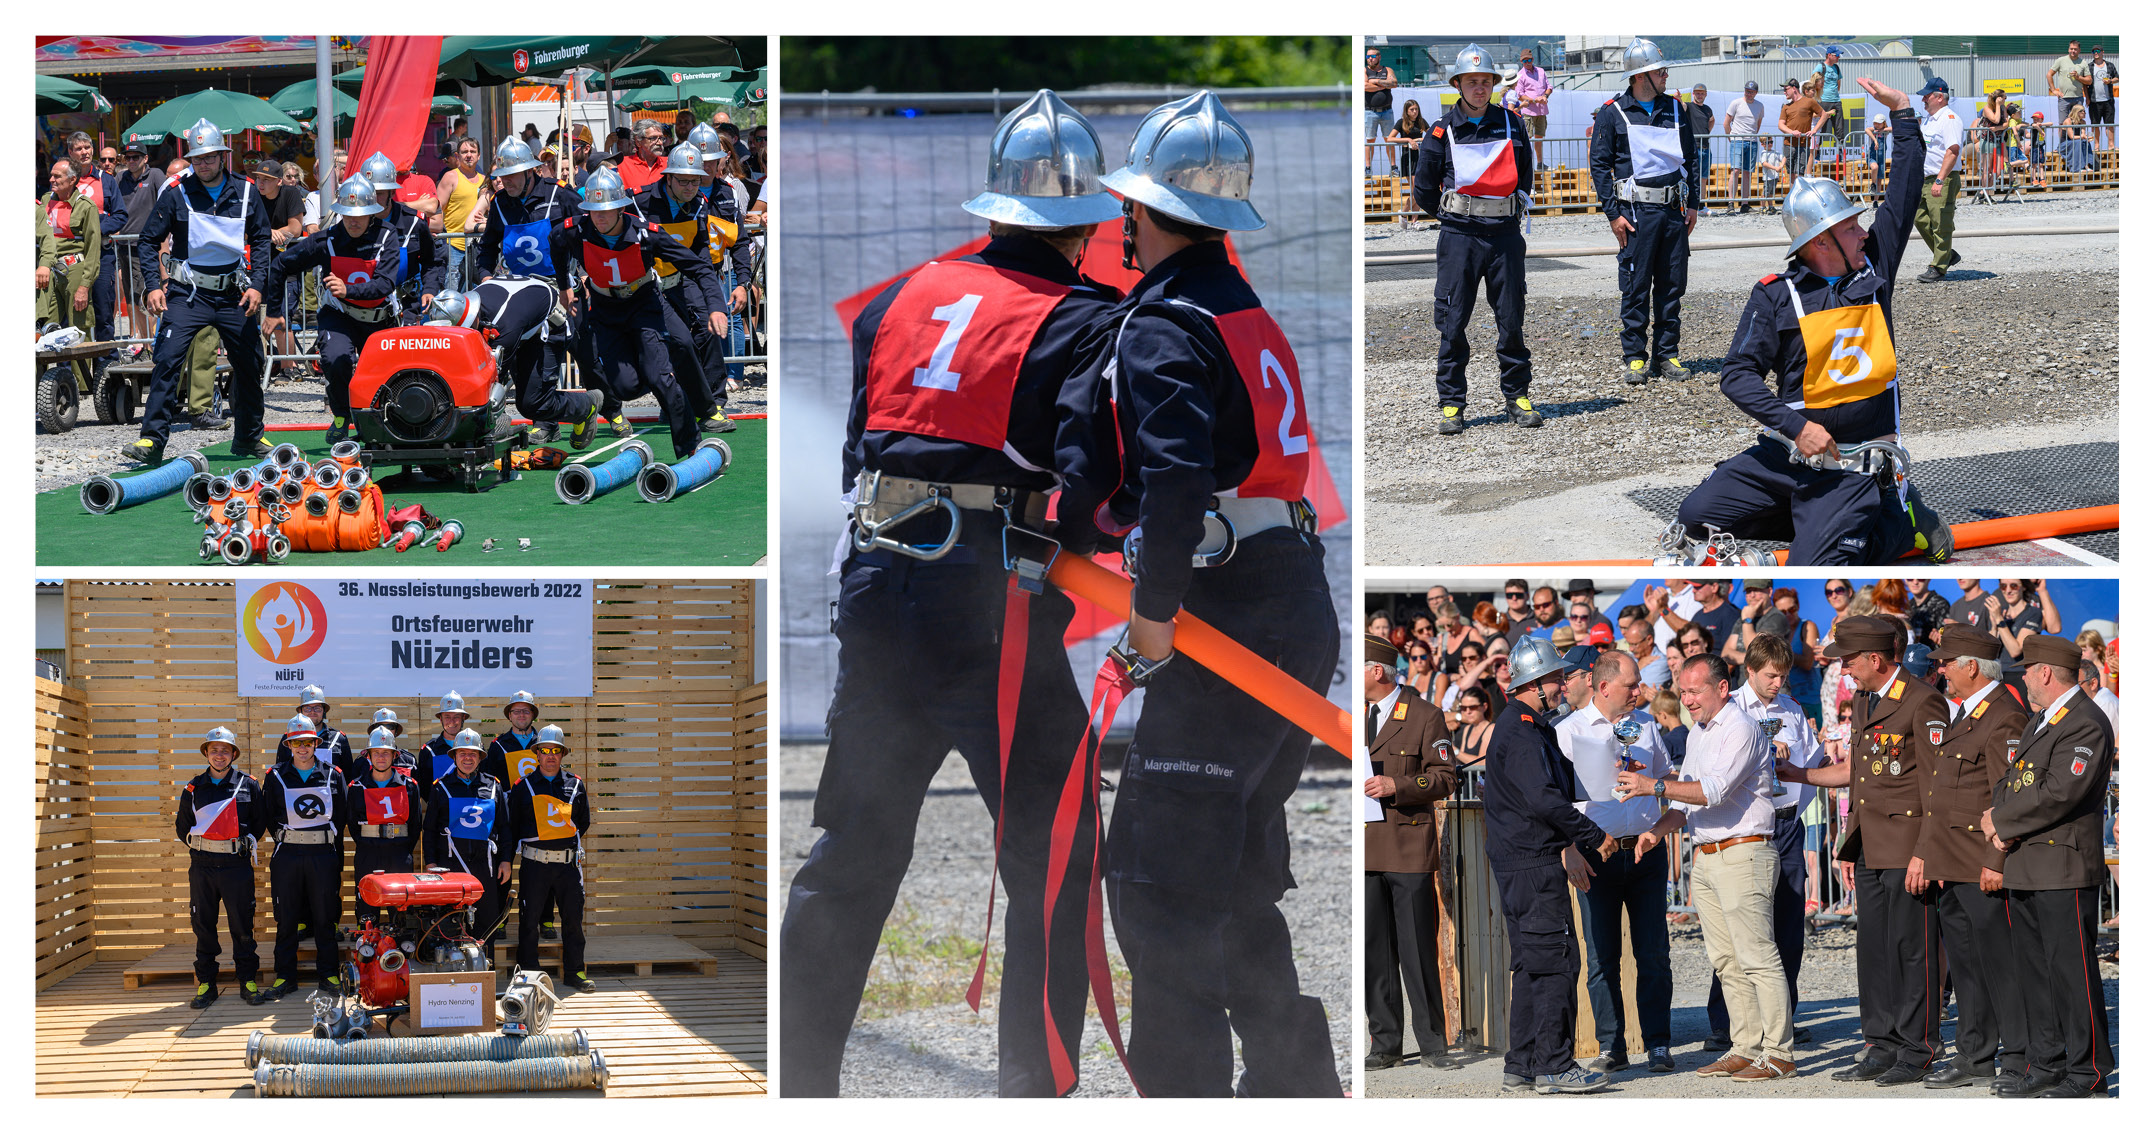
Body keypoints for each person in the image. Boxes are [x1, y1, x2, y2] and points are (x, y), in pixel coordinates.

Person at [780, 90, 1121, 1099]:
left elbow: (859, 448)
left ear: (994, 206)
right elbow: (1091, 485)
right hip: (991, 607)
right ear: (1091, 222)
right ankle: (1031, 1093)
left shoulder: (899, 297)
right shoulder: (1082, 319)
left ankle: (798, 1095)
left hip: (881, 584)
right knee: (1055, 862)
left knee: (852, 854)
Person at [1089, 90, 1339, 1098]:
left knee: (1158, 881)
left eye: (1127, 211)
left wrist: (1148, 619)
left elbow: (1177, 485)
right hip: (1292, 605)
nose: (1119, 228)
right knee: (1232, 875)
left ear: (1144, 214)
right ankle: (1295, 1090)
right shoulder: (1240, 307)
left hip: (1230, 618)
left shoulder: (1161, 326)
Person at [1667, 79, 1954, 567]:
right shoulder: (1775, 295)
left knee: (1816, 567)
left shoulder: (1873, 270)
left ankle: (1896, 524)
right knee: (1696, 516)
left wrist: (1904, 115)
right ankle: (1829, 523)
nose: (1862, 233)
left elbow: (1903, 197)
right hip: (1792, 456)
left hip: (1851, 465)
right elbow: (1736, 375)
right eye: (1849, 227)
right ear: (1820, 242)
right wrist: (1796, 428)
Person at [1779, 615, 1949, 1084]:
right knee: (1872, 949)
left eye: (1850, 660)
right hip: (1871, 843)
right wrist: (1803, 780)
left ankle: (1917, 1048)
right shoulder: (1863, 699)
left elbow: (1938, 786)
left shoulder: (1923, 701)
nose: (1845, 669)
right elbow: (1860, 775)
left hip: (1909, 846)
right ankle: (1880, 1042)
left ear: (1875, 658)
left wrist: (1926, 852)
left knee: (1913, 951)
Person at [1625, 654, 1794, 1080]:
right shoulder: (1700, 732)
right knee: (1725, 960)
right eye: (1682, 691)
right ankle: (1745, 1045)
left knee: (1756, 957)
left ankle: (1779, 1052)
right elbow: (1686, 801)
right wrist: (1658, 830)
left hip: (1744, 852)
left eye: (1695, 690)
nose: (1688, 699)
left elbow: (1714, 791)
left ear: (1722, 688)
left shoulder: (1740, 728)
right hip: (1709, 854)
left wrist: (1652, 785)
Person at [1481, 636, 1617, 1094]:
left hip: (1524, 862)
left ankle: (1522, 1063)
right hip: (1533, 865)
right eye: (1557, 678)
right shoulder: (1521, 732)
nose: (1563, 686)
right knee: (1556, 963)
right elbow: (1544, 799)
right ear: (1535, 684)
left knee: (1533, 964)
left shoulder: (1527, 727)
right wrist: (1594, 836)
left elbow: (1557, 785)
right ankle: (1554, 1065)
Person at [1984, 635, 2116, 1097]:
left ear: (2045, 672)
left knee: (2072, 975)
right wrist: (2002, 823)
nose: (2022, 677)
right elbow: (2012, 782)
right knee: (2036, 974)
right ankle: (2048, 1063)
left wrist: (2000, 820)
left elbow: (2062, 791)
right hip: (2028, 863)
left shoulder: (2086, 723)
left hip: (2062, 866)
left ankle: (2088, 1071)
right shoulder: (2045, 720)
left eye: (2026, 670)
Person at [1907, 624, 2029, 1091]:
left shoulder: (2003, 716)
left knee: (2002, 965)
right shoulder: (1966, 712)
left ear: (1971, 667)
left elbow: (2005, 798)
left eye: (1946, 662)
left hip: (1980, 864)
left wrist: (1995, 861)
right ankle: (1975, 1055)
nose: (1940, 669)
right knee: (1968, 968)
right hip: (1952, 864)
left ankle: (2017, 1056)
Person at [124, 120, 272, 466]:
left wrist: (257, 285)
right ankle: (152, 440)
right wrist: (151, 285)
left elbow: (262, 240)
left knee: (251, 363)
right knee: (167, 359)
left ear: (223, 156)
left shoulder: (248, 191)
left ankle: (249, 436)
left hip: (234, 293)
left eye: (209, 157)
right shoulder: (176, 193)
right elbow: (147, 240)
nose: (203, 164)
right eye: (197, 159)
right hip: (187, 294)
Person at [1557, 650, 1677, 1074]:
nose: (1640, 692)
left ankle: (1659, 1043)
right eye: (1632, 684)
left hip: (1645, 851)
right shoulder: (1568, 732)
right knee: (1601, 957)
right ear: (1604, 686)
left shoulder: (1645, 724)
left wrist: (1657, 808)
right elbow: (1557, 801)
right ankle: (1612, 1045)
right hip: (1595, 856)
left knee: (1654, 953)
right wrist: (1567, 848)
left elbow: (1668, 781)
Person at [1704, 632, 1824, 1051]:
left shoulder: (1792, 709)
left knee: (1789, 925)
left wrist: (1795, 803)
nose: (1778, 683)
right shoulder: (1730, 710)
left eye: (1784, 676)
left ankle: (1783, 1015)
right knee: (1741, 930)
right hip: (1746, 827)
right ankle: (1726, 1022)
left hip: (1787, 824)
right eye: (1771, 676)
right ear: (1749, 670)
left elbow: (1811, 763)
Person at [548, 166, 717, 460]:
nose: (598, 217)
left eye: (606, 210)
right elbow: (555, 243)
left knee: (661, 378)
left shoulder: (645, 234)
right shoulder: (574, 230)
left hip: (644, 305)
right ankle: (653, 367)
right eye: (593, 210)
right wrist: (565, 285)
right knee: (625, 387)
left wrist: (715, 307)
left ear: (621, 208)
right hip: (605, 310)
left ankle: (690, 446)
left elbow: (698, 266)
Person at [1414, 44, 1540, 434]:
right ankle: (1452, 403)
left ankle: (1517, 395)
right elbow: (1423, 190)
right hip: (1459, 237)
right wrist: (1457, 217)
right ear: (1458, 85)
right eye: (1472, 82)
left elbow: (1525, 177)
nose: (1480, 88)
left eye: (1485, 81)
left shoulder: (1512, 123)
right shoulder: (1441, 131)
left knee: (1511, 318)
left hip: (1504, 236)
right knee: (1453, 320)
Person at [1363, 634, 1461, 1075]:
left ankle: (1433, 1042)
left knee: (1417, 949)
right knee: (1374, 951)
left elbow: (1445, 778)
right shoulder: (1354, 719)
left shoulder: (1423, 715)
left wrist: (1396, 786)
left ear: (1377, 671)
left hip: (1407, 846)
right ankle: (1385, 1043)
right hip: (1365, 848)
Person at [466, 137, 602, 442]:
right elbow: (487, 249)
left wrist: (585, 277)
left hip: (565, 291)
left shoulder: (560, 194)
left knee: (586, 356)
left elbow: (587, 236)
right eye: (503, 176)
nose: (507, 181)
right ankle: (547, 420)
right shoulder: (500, 204)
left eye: (514, 175)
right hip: (521, 298)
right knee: (532, 359)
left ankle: (611, 410)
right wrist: (487, 277)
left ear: (531, 171)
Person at [262, 175, 411, 444]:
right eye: (348, 214)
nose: (354, 221)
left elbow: (385, 284)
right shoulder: (325, 239)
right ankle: (341, 416)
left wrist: (348, 289)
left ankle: (386, 419)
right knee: (336, 359)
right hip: (338, 314)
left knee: (384, 372)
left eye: (360, 215)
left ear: (372, 214)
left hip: (379, 317)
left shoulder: (388, 236)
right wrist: (274, 310)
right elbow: (281, 265)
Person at [1591, 37, 1700, 386]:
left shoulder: (1675, 110)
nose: (1666, 76)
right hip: (1635, 214)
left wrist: (1694, 203)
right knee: (1636, 286)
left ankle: (1667, 354)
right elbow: (1600, 166)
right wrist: (1613, 214)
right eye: (1659, 71)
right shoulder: (1612, 113)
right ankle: (1635, 357)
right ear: (1640, 76)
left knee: (1671, 285)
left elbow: (1691, 159)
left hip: (1672, 212)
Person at [633, 141, 749, 435]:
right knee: (678, 343)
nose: (689, 187)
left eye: (695, 181)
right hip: (645, 287)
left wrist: (715, 306)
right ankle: (674, 403)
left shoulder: (700, 203)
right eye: (682, 181)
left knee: (710, 328)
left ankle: (712, 404)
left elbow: (700, 257)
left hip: (682, 279)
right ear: (667, 177)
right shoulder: (637, 202)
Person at [177, 726, 265, 1008]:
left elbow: (260, 822)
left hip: (235, 865)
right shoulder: (193, 788)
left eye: (225, 750)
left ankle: (247, 980)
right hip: (202, 866)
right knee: (203, 924)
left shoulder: (248, 784)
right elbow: (183, 827)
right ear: (206, 753)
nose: (219, 755)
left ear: (233, 754)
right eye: (214, 750)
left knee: (242, 924)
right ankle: (206, 983)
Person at [261, 714, 347, 999]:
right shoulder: (274, 776)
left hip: (322, 854)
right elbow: (269, 814)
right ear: (288, 744)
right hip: (288, 854)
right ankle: (285, 977)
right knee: (286, 918)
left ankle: (329, 974)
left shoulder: (334, 774)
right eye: (296, 742)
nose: (302, 748)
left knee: (324, 917)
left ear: (315, 743)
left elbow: (343, 813)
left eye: (307, 742)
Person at [508, 725, 596, 992]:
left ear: (562, 754)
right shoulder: (522, 787)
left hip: (568, 866)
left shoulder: (576, 784)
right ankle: (530, 974)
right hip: (535, 865)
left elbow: (583, 822)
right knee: (529, 921)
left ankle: (574, 972)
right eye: (545, 750)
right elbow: (513, 826)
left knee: (572, 920)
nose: (550, 755)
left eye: (555, 751)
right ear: (536, 754)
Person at [427, 727, 511, 949]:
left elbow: (504, 827)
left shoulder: (494, 786)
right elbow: (430, 829)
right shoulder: (441, 788)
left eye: (472, 754)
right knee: (450, 924)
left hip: (486, 866)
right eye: (462, 753)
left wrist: (505, 860)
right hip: (450, 867)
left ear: (480, 757)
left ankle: (485, 970)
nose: (467, 758)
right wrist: (431, 862)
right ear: (454, 756)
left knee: (486, 923)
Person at [346, 725, 425, 922]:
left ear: (394, 755)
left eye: (386, 753)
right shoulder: (356, 787)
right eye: (376, 752)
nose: (381, 757)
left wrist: (400, 845)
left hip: (399, 853)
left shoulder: (410, 786)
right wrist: (371, 841)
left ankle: (399, 951)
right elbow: (353, 824)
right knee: (366, 912)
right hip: (368, 852)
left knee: (401, 912)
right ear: (369, 756)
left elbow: (415, 824)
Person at [358, 151, 444, 329]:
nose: (374, 198)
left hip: (407, 306)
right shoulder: (355, 224)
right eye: (370, 192)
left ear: (391, 191)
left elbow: (431, 261)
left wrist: (429, 290)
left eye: (380, 193)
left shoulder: (413, 221)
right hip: (366, 306)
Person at [37, 159, 100, 399]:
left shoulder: (86, 206)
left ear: (72, 180)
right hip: (48, 270)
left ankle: (83, 389)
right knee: (43, 325)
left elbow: (94, 250)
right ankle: (39, 386)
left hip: (75, 269)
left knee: (79, 327)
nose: (51, 180)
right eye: (51, 175)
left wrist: (84, 285)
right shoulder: (44, 201)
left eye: (57, 177)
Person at [1912, 78, 1964, 283]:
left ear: (1940, 97)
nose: (1923, 99)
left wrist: (1940, 180)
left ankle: (1939, 266)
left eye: (1927, 95)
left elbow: (1952, 151)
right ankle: (1947, 255)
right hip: (1926, 178)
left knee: (1940, 222)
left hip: (1942, 178)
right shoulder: (1929, 119)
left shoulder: (1949, 118)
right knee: (1919, 218)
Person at [435, 135, 488, 291]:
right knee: (452, 295)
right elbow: (437, 209)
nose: (469, 155)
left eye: (473, 151)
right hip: (454, 247)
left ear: (478, 155)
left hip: (478, 248)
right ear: (457, 156)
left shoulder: (485, 180)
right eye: (464, 152)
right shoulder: (450, 177)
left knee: (479, 294)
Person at [274, 684, 357, 780]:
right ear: (300, 711)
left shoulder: (338, 738)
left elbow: (347, 776)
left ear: (324, 711)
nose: (312, 712)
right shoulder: (288, 738)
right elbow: (280, 774)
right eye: (307, 708)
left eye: (317, 708)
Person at [1724, 81, 1765, 212]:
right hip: (1737, 140)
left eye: (1751, 91)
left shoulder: (1760, 106)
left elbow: (1758, 124)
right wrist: (1731, 137)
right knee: (1735, 171)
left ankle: (1745, 204)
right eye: (1747, 91)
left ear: (1756, 93)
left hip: (1752, 141)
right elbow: (1726, 123)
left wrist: (1751, 135)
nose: (1749, 94)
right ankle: (1731, 202)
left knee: (1747, 172)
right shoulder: (1736, 103)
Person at [1779, 79, 1824, 181]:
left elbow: (1824, 115)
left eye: (1786, 89)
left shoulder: (1809, 101)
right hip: (1788, 144)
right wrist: (1792, 132)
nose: (1784, 92)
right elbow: (1780, 125)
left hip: (1803, 144)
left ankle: (1799, 195)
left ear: (1794, 88)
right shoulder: (1786, 106)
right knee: (1791, 175)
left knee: (1799, 174)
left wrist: (1814, 130)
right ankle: (1793, 196)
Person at [1364, 46, 1398, 175]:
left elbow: (1394, 83)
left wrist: (1376, 81)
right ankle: (1368, 168)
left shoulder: (1387, 70)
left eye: (1372, 56)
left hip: (1387, 111)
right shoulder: (1364, 71)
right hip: (1370, 111)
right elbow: (1364, 85)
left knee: (1389, 139)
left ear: (1379, 57)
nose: (1370, 59)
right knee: (1370, 140)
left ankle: (1394, 167)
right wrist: (1382, 86)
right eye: (1368, 56)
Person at [1515, 48, 1552, 169]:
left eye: (1529, 60)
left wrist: (1545, 96)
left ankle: (1540, 163)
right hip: (1529, 112)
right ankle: (1526, 165)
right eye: (1524, 61)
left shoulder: (1541, 71)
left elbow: (1549, 87)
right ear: (1521, 61)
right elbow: (1520, 95)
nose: (1527, 62)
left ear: (1533, 59)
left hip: (1541, 111)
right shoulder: (1520, 75)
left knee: (1539, 138)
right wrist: (1535, 100)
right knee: (1527, 139)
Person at [617, 120, 671, 194]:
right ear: (638, 141)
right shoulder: (621, 165)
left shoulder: (670, 163)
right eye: (653, 138)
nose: (660, 142)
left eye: (661, 138)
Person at [2083, 45, 2118, 151]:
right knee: (2095, 125)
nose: (2095, 53)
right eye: (2093, 51)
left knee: (2110, 124)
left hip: (2108, 100)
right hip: (2094, 101)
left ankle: (2111, 145)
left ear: (2103, 52)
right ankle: (2097, 145)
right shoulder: (2089, 66)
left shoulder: (2110, 65)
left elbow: (2117, 78)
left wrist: (2110, 81)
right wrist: (2087, 98)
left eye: (2097, 51)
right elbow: (2085, 83)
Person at [2047, 41, 2089, 123]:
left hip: (2078, 98)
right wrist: (2054, 90)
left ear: (2079, 50)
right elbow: (2049, 74)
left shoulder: (2083, 63)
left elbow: (2089, 81)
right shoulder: (2061, 60)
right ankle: (2063, 137)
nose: (2073, 51)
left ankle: (2077, 136)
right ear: (2068, 49)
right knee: (2063, 123)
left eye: (2075, 49)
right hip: (2064, 98)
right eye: (2071, 49)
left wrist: (2078, 77)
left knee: (2078, 122)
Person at [1385, 100, 1427, 180]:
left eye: (1416, 109)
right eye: (1412, 109)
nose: (1415, 111)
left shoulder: (1421, 121)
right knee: (1413, 186)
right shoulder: (1401, 122)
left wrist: (1418, 139)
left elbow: (1432, 135)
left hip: (1420, 154)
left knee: (1418, 185)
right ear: (1406, 111)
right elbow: (1390, 138)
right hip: (1407, 155)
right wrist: (1408, 140)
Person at [1685, 84, 1714, 201]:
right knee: (1692, 177)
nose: (1700, 95)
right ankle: (1691, 202)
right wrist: (1678, 98)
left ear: (1706, 94)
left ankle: (1701, 203)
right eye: (1697, 93)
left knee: (1704, 177)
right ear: (1693, 94)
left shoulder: (1707, 109)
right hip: (1693, 148)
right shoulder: (1689, 106)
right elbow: (1681, 107)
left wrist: (1706, 132)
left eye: (1702, 93)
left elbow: (1712, 120)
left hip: (1706, 147)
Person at [1812, 47, 1846, 141]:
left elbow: (1838, 84)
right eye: (1837, 55)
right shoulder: (1820, 67)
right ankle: (1817, 152)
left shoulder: (1836, 68)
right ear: (1829, 55)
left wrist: (1834, 94)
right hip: (1823, 101)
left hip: (1836, 101)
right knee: (1821, 129)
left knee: (1840, 130)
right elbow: (1813, 81)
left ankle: (1840, 152)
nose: (1839, 57)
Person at [1755, 137, 1786, 214]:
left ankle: (1771, 206)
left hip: (1775, 176)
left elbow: (1784, 158)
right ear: (1762, 144)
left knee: (1771, 193)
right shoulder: (1764, 153)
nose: (1770, 144)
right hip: (1768, 177)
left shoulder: (1775, 152)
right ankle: (1762, 207)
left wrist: (1781, 166)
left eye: (1771, 142)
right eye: (1767, 142)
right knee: (1765, 193)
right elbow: (1764, 163)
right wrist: (1775, 168)